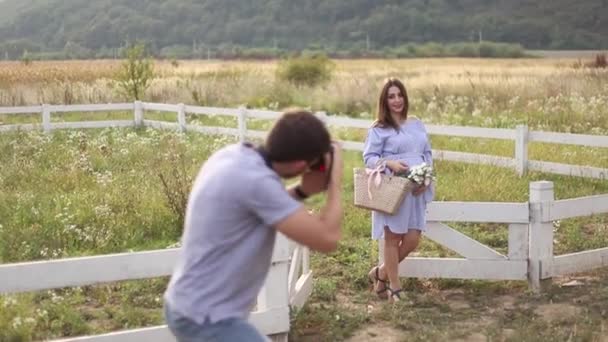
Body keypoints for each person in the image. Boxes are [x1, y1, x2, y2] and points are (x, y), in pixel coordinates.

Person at [163, 109, 343, 341]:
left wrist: (302, 191)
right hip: (207, 318)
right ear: (301, 165)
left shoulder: (235, 156)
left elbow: (257, 208)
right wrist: (335, 183)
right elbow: (327, 239)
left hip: (188, 306)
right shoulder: (257, 182)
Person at [363, 78, 434, 302]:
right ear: (384, 101)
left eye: (400, 95)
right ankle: (394, 287)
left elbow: (427, 153)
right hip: (393, 187)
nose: (397, 100)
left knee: (413, 239)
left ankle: (380, 273)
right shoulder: (379, 129)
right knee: (392, 238)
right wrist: (389, 164)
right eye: (391, 96)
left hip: (415, 189)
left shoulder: (416, 123)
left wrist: (427, 176)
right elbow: (369, 158)